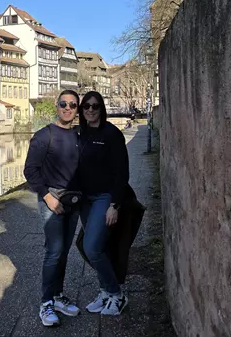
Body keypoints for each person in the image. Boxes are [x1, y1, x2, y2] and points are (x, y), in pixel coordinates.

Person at [23, 90, 82, 327]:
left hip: (74, 201)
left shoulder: (80, 134)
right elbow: (30, 171)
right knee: (54, 251)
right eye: (63, 104)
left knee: (64, 251)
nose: (68, 108)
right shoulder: (43, 136)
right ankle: (46, 303)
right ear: (57, 106)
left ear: (77, 109)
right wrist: (47, 197)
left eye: (73, 105)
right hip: (52, 200)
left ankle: (58, 296)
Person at [76, 91, 130, 315]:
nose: (90, 110)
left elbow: (122, 172)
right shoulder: (80, 133)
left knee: (91, 247)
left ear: (101, 109)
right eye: (86, 106)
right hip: (84, 200)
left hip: (104, 197)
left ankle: (117, 294)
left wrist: (114, 205)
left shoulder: (111, 134)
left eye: (95, 106)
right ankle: (105, 291)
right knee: (98, 246)